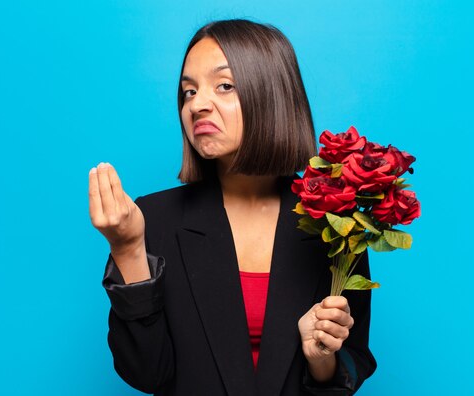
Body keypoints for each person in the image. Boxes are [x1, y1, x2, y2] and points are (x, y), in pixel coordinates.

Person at [88, 19, 376, 395]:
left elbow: (350, 364)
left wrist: (320, 357)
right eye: (188, 92)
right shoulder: (153, 218)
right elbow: (147, 373)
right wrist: (127, 249)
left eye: (224, 86)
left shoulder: (336, 222)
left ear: (270, 93)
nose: (197, 106)